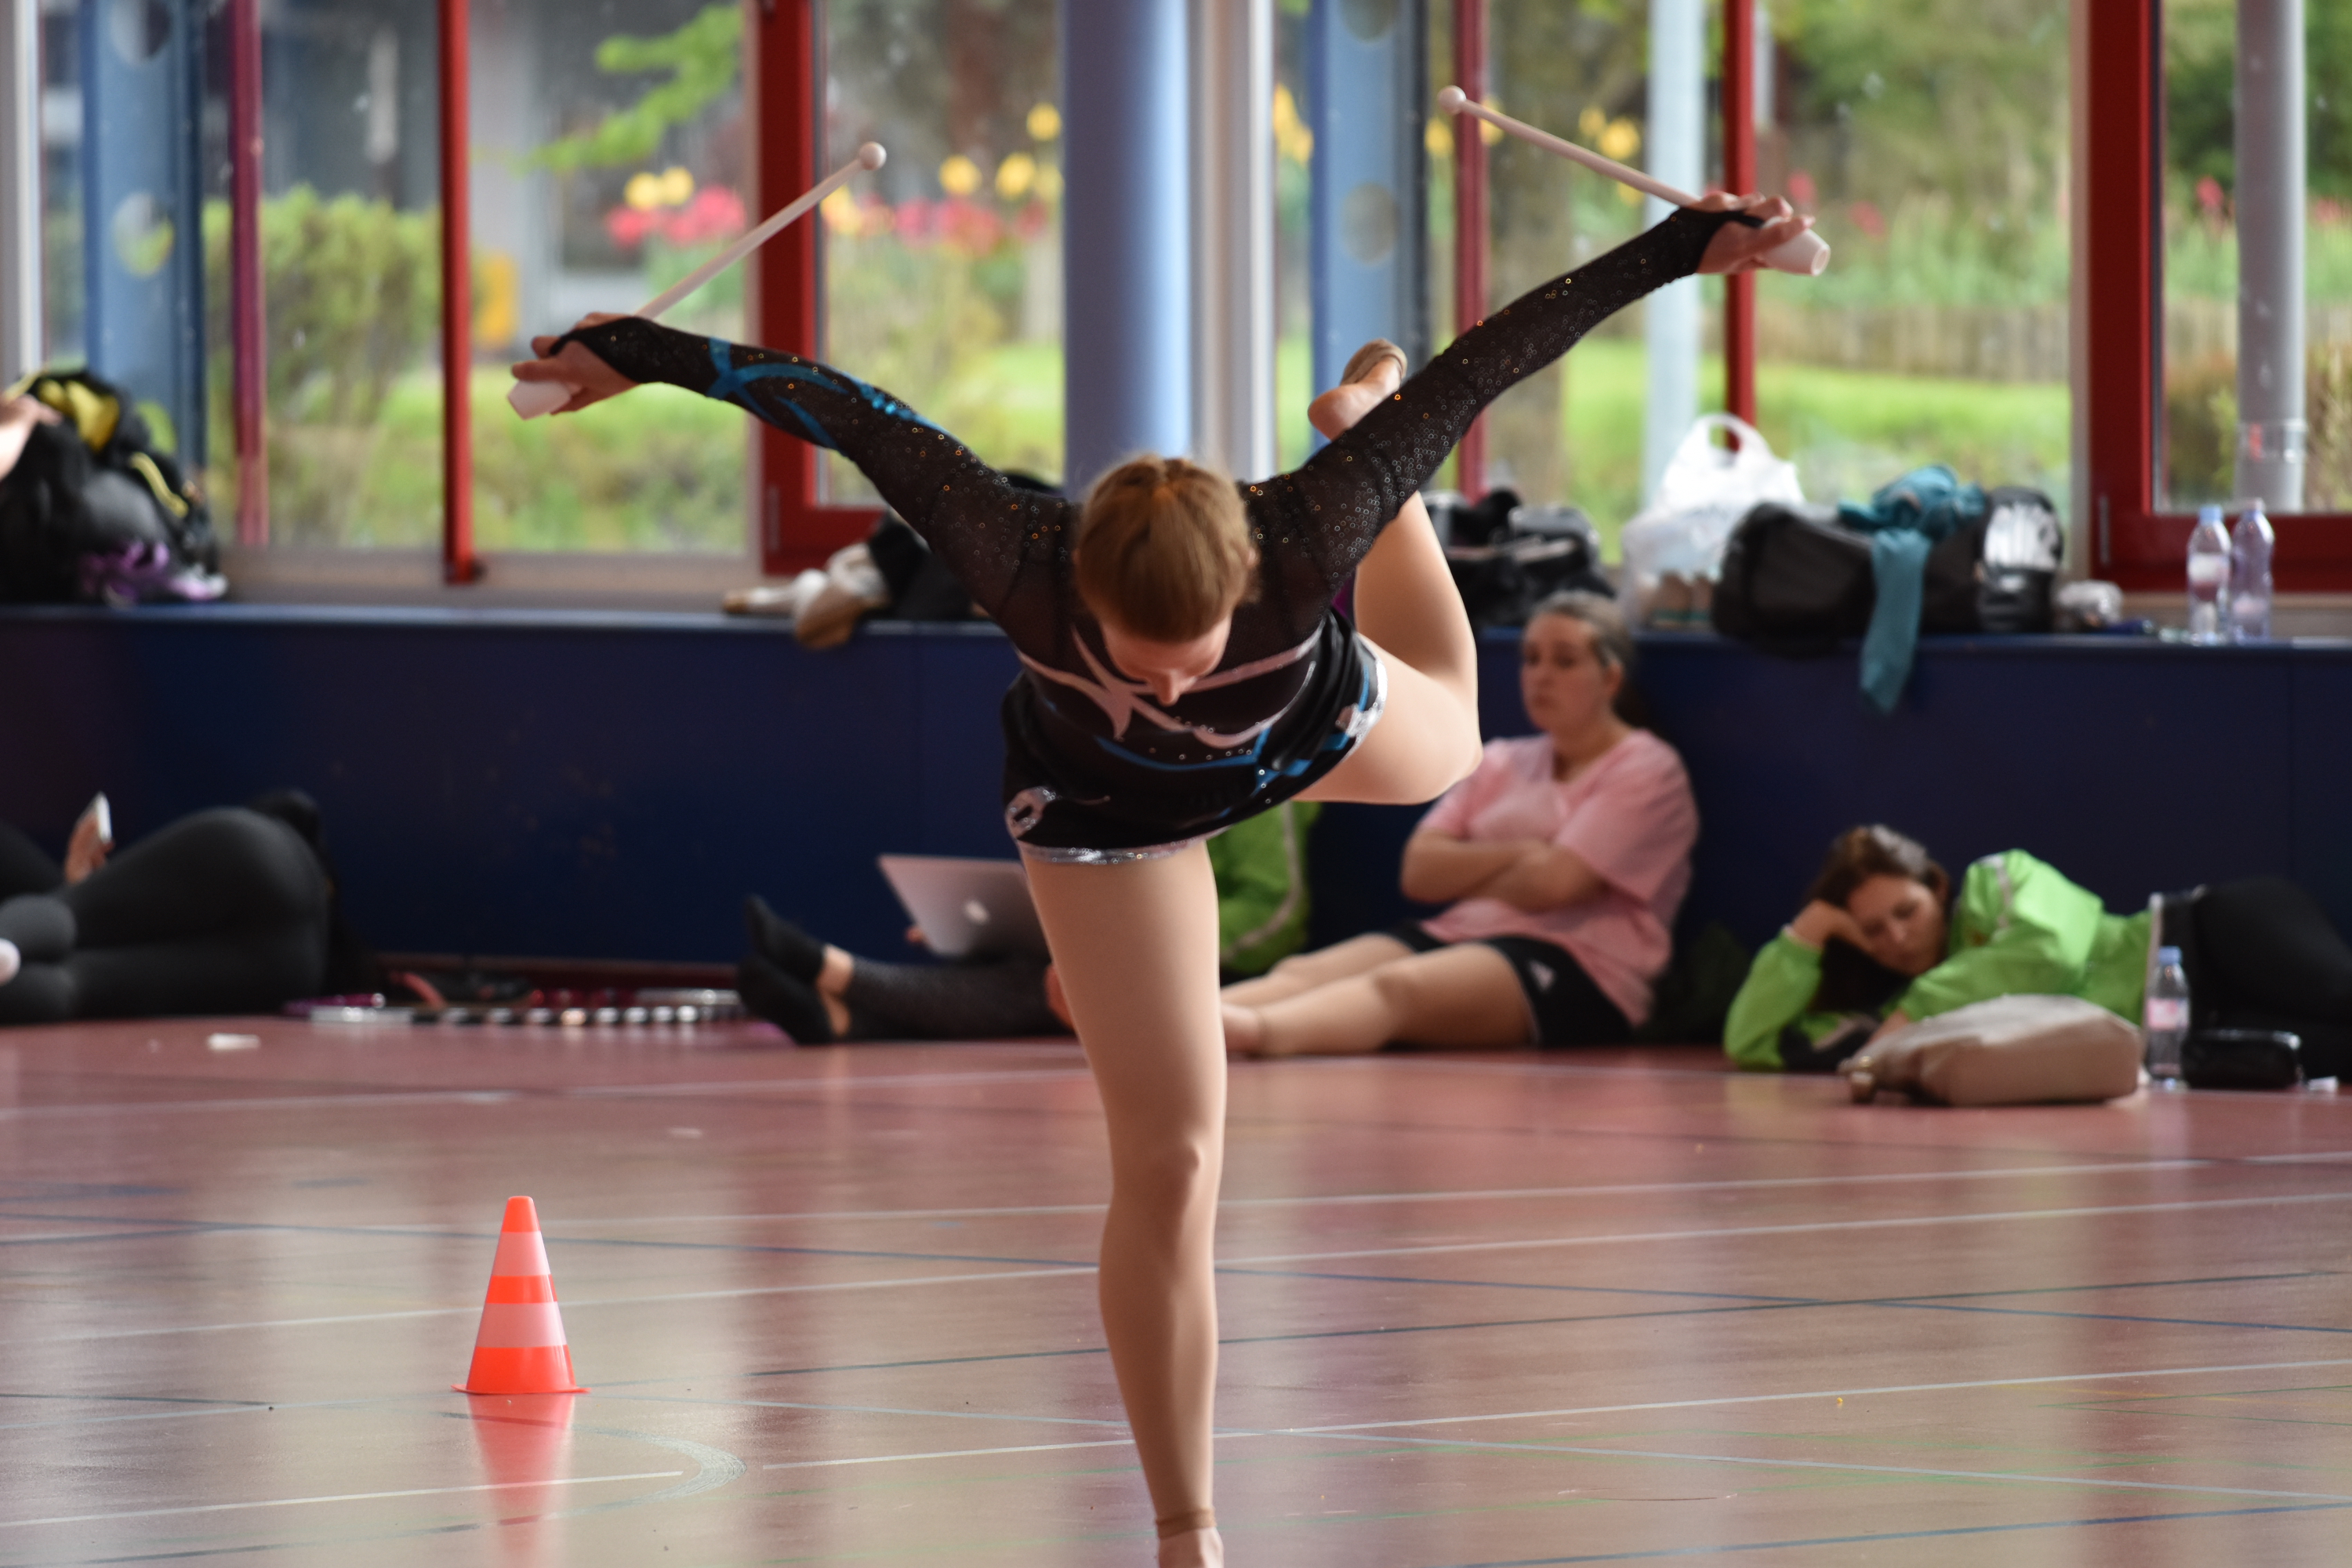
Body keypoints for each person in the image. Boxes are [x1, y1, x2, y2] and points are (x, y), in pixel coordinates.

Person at [515, 192, 1807, 1568]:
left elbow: (1502, 352)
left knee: (1449, 738)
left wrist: (1692, 245)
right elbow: (834, 403)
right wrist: (631, 351)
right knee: (1176, 1158)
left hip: (1312, 733)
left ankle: (1362, 422)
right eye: (1142, 661)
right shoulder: (1012, 549)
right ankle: (1188, 1527)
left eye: (1191, 658)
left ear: (1244, 578)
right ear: (1084, 583)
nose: (1172, 687)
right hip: (1102, 813)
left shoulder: (1305, 530)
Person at [1219, 593, 1694, 1056]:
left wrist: (1477, 869)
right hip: (1464, 930)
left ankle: (1242, 1035)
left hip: (1581, 963)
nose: (1541, 676)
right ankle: (1188, 1026)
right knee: (1302, 975)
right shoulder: (1503, 758)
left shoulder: (1648, 768)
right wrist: (1527, 853)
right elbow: (1420, 873)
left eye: (1565, 661)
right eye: (1531, 659)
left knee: (1399, 986)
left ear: (1610, 678)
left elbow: (1555, 884)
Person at [1726, 824, 2352, 1079]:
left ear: (1937, 888)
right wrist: (1806, 934)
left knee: (2338, 993)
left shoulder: (1996, 880)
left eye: (1906, 912)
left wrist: (1920, 1007)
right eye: (1870, 930)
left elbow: (2052, 952)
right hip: (2191, 1040)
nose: (1894, 938)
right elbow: (1750, 1042)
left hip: (2203, 939)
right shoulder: (1885, 1013)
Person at [738, 799, 1321, 1043]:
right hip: (1128, 945)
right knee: (1035, 963)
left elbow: (1274, 912)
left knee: (1041, 980)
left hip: (1215, 969)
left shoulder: (1264, 787)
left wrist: (1162, 948)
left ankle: (844, 980)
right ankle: (845, 1016)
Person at [0, 791, 369, 1025]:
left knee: (76, 944)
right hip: (292, 964)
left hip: (271, 868)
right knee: (78, 975)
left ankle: (11, 936)